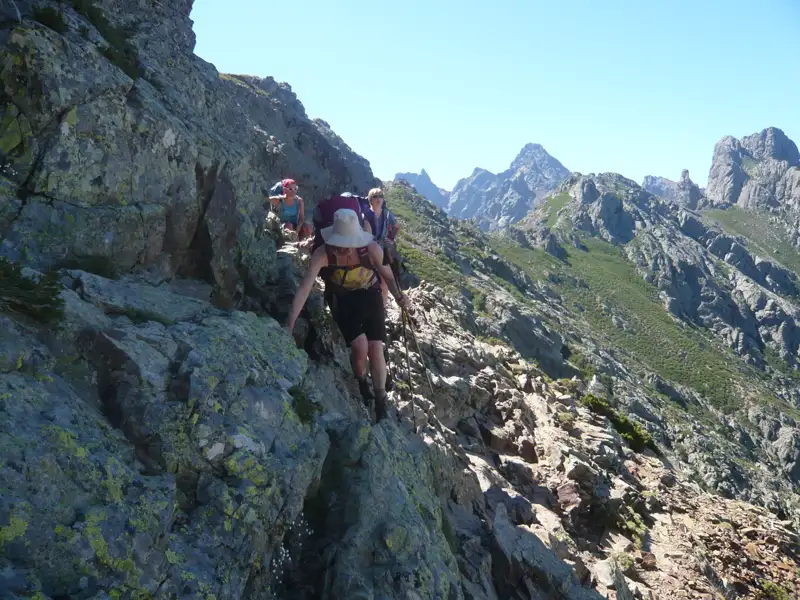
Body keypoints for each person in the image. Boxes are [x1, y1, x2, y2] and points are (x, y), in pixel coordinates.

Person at [286, 208, 410, 421]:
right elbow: (305, 288)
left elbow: (387, 276)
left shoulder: (371, 249)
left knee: (376, 347)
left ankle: (380, 401)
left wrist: (400, 297)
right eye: (340, 244)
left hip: (370, 295)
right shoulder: (323, 254)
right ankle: (361, 381)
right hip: (342, 299)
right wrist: (289, 325)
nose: (344, 249)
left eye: (348, 244)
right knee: (360, 347)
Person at [366, 188, 401, 306]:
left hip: (382, 249)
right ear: (370, 199)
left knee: (385, 280)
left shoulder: (387, 214)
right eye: (376, 196)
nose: (379, 198)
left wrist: (391, 238)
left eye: (381, 196)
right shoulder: (365, 214)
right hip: (368, 250)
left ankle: (383, 307)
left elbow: (396, 227)